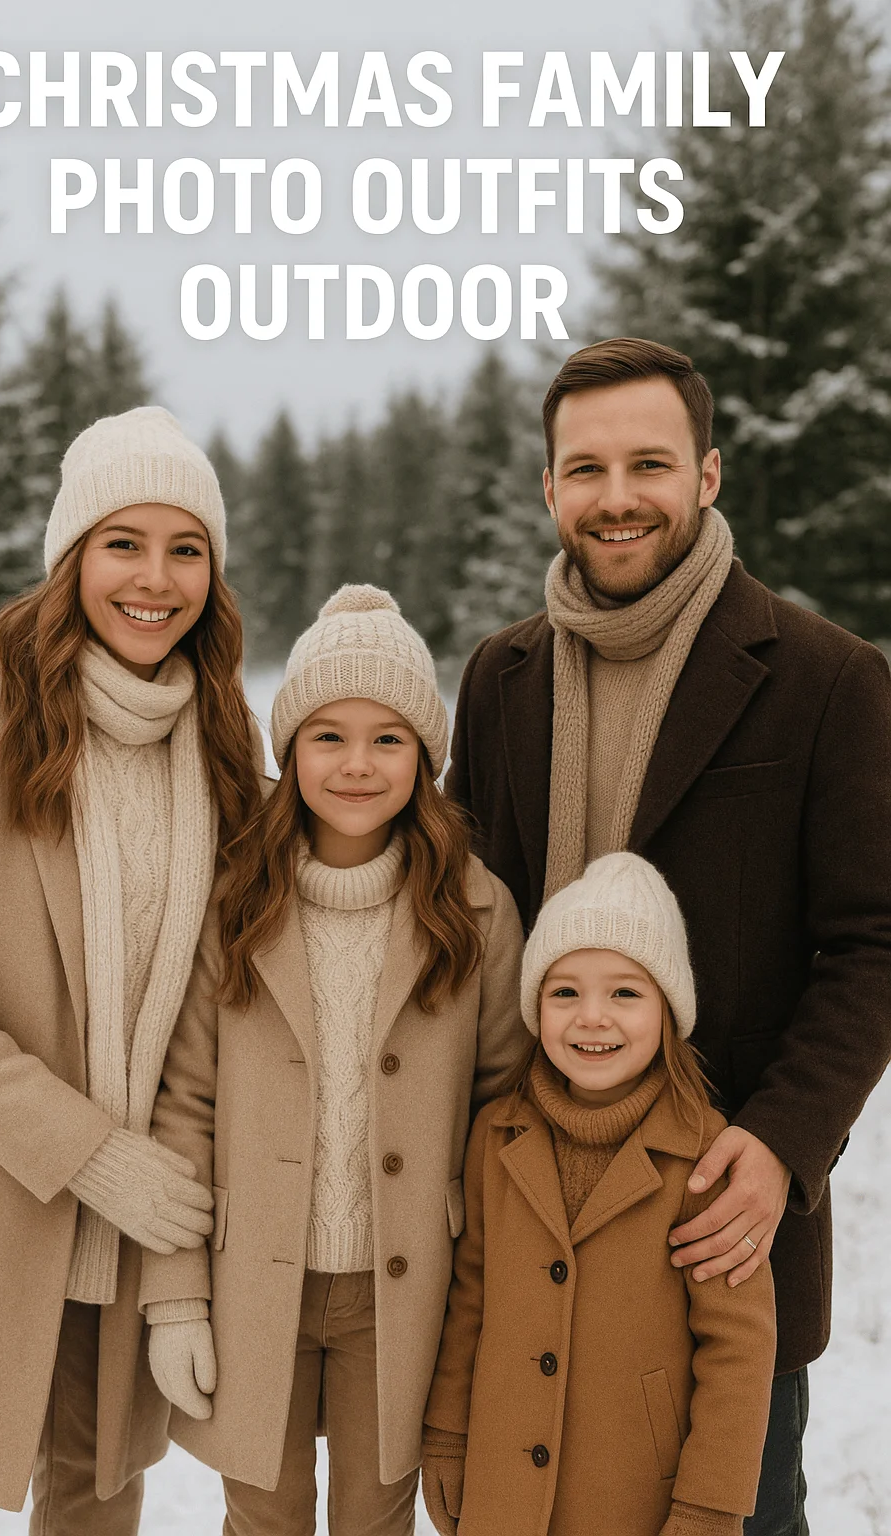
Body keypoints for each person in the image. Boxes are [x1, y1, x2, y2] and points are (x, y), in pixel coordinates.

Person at [446, 337, 891, 1535]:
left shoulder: (823, 677)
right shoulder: (500, 679)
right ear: (548, 489)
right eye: (584, 469)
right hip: (533, 1217)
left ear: (705, 475)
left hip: (711, 1219)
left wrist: (783, 1139)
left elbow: (872, 942)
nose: (616, 496)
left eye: (649, 463)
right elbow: (466, 925)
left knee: (734, 1516)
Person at [0, 406, 263, 1533]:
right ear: (70, 558)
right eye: (122, 544)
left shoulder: (229, 746)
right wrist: (89, 1156)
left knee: (97, 1508)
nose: (155, 579)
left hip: (139, 1235)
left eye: (185, 549)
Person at [139, 584, 530, 1536]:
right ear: (290, 749)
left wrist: (492, 1302)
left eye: (389, 738)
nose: (358, 764)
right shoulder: (236, 899)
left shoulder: (475, 911)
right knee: (262, 1518)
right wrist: (175, 1299)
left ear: (426, 757)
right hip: (252, 1280)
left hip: (404, 1290)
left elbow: (504, 1107)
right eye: (328, 736)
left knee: (376, 1517)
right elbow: (184, 1105)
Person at [422, 852, 777, 1536]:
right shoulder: (496, 1134)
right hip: (503, 1489)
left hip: (633, 1496)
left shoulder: (707, 1155)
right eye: (565, 993)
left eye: (624, 993)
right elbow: (469, 1298)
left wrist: (710, 1504)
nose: (592, 1018)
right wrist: (445, 1433)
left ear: (667, 1009)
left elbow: (739, 1349)